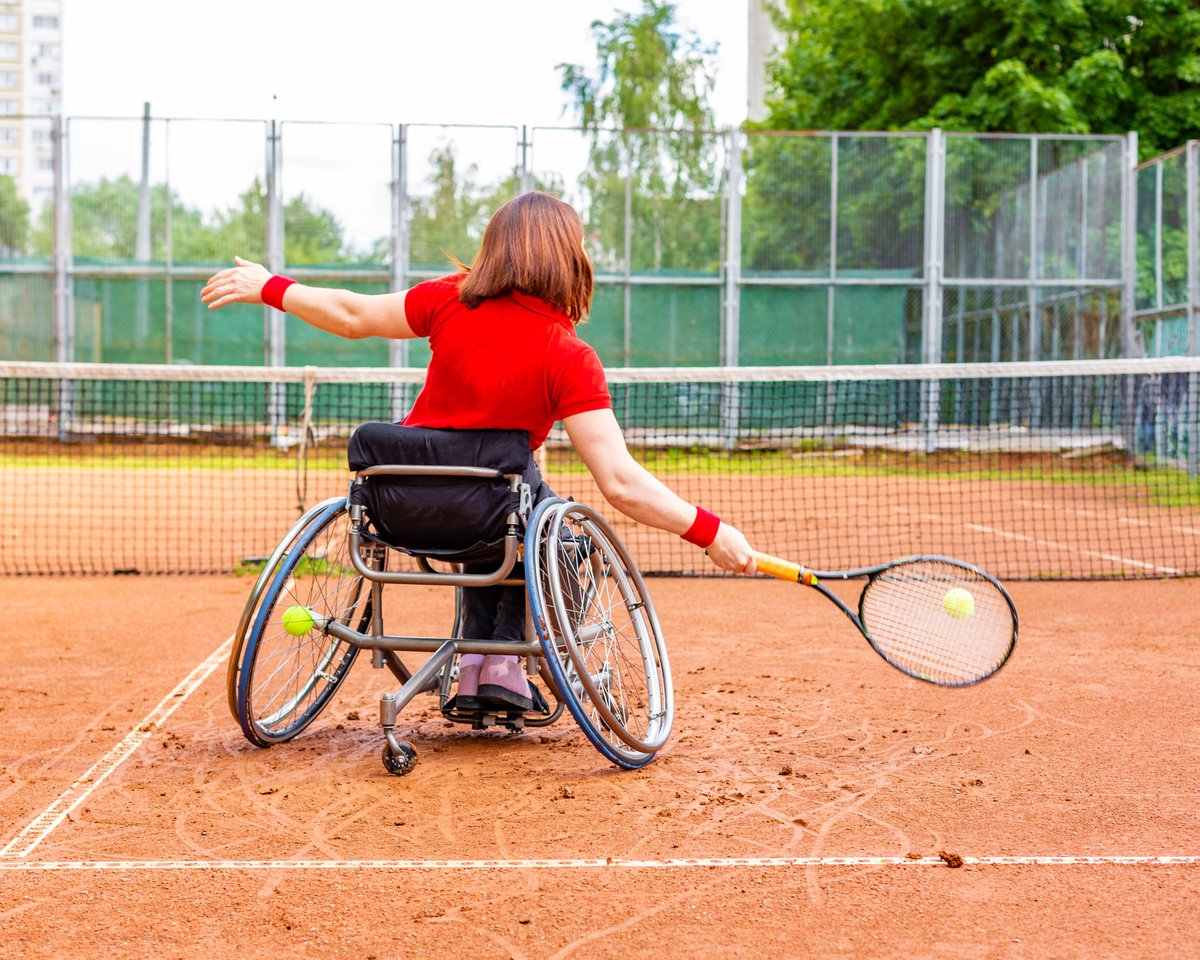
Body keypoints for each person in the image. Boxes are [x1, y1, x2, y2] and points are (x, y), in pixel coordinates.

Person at [201, 191, 756, 712]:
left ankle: (477, 665)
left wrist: (271, 285)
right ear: (568, 258)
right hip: (492, 511)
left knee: (505, 510)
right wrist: (710, 532)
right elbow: (621, 483)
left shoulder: (447, 299)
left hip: (401, 507)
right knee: (550, 532)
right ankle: (501, 665)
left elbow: (352, 315)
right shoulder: (568, 354)